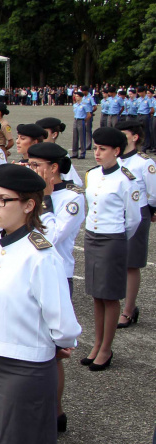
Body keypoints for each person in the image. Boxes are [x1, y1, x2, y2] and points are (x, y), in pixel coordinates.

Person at [0, 164, 81, 444]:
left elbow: (63, 322)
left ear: (28, 205)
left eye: (4, 200)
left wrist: (62, 343)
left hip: (25, 367)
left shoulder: (41, 255)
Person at [26, 142, 85, 432]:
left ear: (54, 169)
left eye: (37, 166)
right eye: (31, 165)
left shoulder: (72, 198)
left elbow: (52, 235)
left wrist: (45, 201)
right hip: (30, 273)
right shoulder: (29, 194)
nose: (32, 170)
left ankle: (56, 412)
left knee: (53, 353)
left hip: (58, 276)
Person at [83, 127, 141, 370]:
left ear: (117, 151)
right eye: (95, 148)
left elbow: (134, 219)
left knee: (110, 295)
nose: (97, 153)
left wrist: (117, 238)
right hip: (92, 236)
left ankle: (106, 348)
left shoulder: (126, 180)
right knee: (96, 294)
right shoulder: (93, 174)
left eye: (102, 149)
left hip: (112, 238)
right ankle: (97, 343)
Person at [115, 120, 156, 329]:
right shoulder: (115, 160)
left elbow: (153, 193)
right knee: (117, 261)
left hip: (139, 213)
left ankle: (129, 309)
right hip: (116, 213)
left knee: (131, 264)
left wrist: (151, 211)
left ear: (135, 137)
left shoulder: (143, 162)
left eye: (123, 134)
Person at [71, 90, 92, 159]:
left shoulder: (84, 104)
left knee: (82, 137)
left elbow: (89, 115)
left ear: (80, 97)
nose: (75, 97)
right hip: (75, 120)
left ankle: (82, 153)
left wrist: (84, 120)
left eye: (77, 96)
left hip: (81, 120)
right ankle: (75, 153)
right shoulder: (75, 105)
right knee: (75, 137)